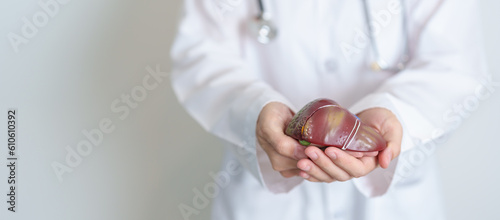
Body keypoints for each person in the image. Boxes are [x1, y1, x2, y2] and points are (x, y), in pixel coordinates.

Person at [171, 0, 487, 219]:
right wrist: (254, 110)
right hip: (265, 199)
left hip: (392, 205)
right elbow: (200, 55)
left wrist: (395, 113)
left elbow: (454, 65)